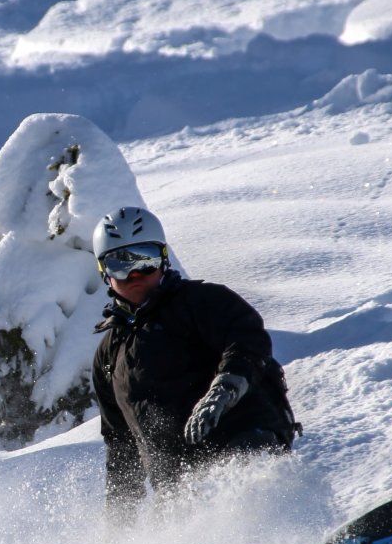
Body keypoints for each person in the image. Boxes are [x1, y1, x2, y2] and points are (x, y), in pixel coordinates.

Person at [90, 206, 299, 515]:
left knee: (242, 484)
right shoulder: (109, 356)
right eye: (120, 264)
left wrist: (224, 390)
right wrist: (119, 534)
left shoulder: (201, 302)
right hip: (176, 484)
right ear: (104, 272)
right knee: (176, 537)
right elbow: (121, 446)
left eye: (144, 260)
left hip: (242, 441)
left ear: (162, 259)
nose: (135, 274)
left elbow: (247, 342)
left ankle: (284, 532)